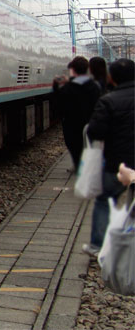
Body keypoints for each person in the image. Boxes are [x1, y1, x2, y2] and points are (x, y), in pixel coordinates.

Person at [82, 58, 135, 256]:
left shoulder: (108, 100)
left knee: (104, 199)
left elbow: (95, 132)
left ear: (112, 78)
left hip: (117, 165)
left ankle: (98, 246)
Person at [52, 56, 101, 172]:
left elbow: (58, 105)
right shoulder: (94, 86)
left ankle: (78, 164)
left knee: (74, 144)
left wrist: (55, 86)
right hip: (90, 121)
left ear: (73, 70)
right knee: (87, 143)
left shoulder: (68, 88)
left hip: (71, 123)